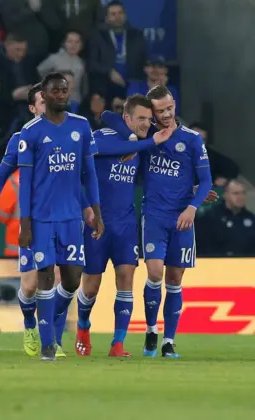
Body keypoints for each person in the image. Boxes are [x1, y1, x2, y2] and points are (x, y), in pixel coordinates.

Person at [101, 86, 213, 358]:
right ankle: (151, 329)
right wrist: (131, 138)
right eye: (159, 111)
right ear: (151, 113)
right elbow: (107, 116)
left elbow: (206, 180)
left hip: (182, 218)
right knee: (154, 273)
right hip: (153, 216)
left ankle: (168, 341)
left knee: (175, 279)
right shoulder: (147, 136)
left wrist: (192, 206)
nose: (165, 114)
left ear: (175, 104)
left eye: (169, 108)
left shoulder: (192, 139)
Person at [76, 95, 174, 357]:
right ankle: (83, 325)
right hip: (97, 223)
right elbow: (106, 146)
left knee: (126, 278)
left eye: (148, 119)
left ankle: (117, 343)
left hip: (126, 223)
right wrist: (144, 141)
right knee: (91, 286)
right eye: (140, 118)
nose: (146, 124)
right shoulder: (102, 136)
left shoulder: (140, 143)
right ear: (127, 118)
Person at [17, 73, 104, 361]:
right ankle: (47, 344)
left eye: (65, 90)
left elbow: (88, 173)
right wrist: (25, 224)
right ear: (45, 94)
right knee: (43, 278)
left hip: (70, 218)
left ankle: (47, 328)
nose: (62, 95)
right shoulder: (30, 132)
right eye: (56, 91)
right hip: (42, 219)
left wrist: (96, 211)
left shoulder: (81, 126)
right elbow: (26, 183)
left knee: (72, 280)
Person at [0, 83, 47, 357]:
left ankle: (51, 340)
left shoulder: (70, 132)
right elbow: (0, 174)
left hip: (58, 219)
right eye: (43, 102)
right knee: (30, 286)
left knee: (56, 282)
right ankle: (30, 323)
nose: (49, 105)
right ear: (32, 108)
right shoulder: (21, 138)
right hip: (30, 226)